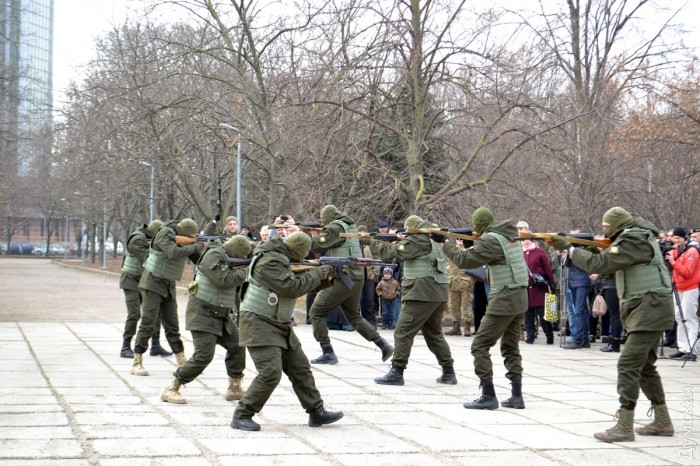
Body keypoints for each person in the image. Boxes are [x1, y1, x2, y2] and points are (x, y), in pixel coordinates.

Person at [549, 207, 675, 442]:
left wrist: (570, 249)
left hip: (650, 308)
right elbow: (611, 267)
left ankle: (625, 426)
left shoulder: (633, 239)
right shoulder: (634, 238)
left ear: (618, 224)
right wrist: (588, 249)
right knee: (644, 367)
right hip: (647, 307)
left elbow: (601, 265)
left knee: (628, 364)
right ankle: (662, 421)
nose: (605, 230)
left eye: (607, 226)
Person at [231, 231, 344, 431]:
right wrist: (317, 273)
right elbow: (291, 288)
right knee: (270, 373)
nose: (307, 256)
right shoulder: (270, 261)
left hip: (278, 323)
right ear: (299, 250)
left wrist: (327, 276)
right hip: (258, 323)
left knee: (300, 367)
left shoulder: (282, 258)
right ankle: (242, 414)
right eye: (306, 252)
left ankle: (316, 411)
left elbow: (301, 284)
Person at [442, 207, 528, 410]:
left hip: (505, 298)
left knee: (479, 345)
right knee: (510, 347)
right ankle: (516, 396)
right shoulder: (508, 235)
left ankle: (488, 395)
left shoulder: (491, 239)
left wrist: (445, 244)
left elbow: (464, 260)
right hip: (519, 296)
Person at [360, 215, 454, 385]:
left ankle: (397, 371)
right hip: (438, 292)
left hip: (421, 293)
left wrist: (370, 241)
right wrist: (399, 240)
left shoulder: (417, 241)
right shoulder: (435, 239)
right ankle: (448, 371)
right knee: (434, 334)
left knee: (402, 331)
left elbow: (391, 253)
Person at [161, 235, 252, 404]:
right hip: (202, 313)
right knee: (204, 356)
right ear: (236, 251)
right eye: (244, 255)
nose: (245, 258)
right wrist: (247, 270)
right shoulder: (213, 255)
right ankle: (172, 387)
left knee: (237, 344)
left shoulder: (226, 255)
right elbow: (224, 280)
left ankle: (234, 388)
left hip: (221, 314)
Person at [308, 205, 394, 365]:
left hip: (344, 278)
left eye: (323, 218)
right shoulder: (349, 226)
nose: (322, 221)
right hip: (355, 278)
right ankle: (383, 345)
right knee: (354, 317)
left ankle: (327, 352)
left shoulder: (335, 227)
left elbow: (317, 244)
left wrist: (299, 236)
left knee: (316, 312)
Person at [131, 219, 204, 376]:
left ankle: (182, 361)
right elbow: (172, 252)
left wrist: (211, 249)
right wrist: (194, 245)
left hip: (168, 285)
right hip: (152, 283)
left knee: (172, 326)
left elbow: (199, 259)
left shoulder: (184, 240)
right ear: (184, 233)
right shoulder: (164, 233)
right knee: (148, 324)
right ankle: (137, 361)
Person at [119, 220, 173, 358]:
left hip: (145, 280)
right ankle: (125, 346)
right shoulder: (137, 239)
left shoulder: (151, 238)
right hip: (131, 280)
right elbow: (148, 258)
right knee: (134, 314)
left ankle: (155, 345)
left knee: (153, 312)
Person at [665, 227, 699, 361]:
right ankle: (683, 348)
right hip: (678, 287)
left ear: (685, 237)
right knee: (679, 318)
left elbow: (687, 272)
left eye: (679, 238)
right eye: (675, 238)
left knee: (689, 318)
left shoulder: (692, 251)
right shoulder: (677, 249)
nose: (676, 240)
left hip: (690, 287)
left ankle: (692, 350)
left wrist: (674, 263)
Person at [563, 229, 593, 349]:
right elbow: (567, 264)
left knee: (579, 311)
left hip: (580, 282)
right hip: (575, 282)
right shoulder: (574, 250)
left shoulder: (583, 251)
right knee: (580, 311)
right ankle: (584, 339)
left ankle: (578, 339)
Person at [522, 238, 555, 344]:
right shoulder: (519, 253)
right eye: (523, 239)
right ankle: (530, 336)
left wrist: (551, 282)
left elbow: (547, 268)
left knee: (542, 313)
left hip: (539, 286)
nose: (525, 241)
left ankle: (549, 335)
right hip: (525, 287)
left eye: (527, 239)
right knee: (528, 314)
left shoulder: (539, 252)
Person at [444, 254, 474, 337]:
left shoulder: (467, 251)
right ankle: (456, 328)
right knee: (453, 306)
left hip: (465, 282)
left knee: (466, 306)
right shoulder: (450, 251)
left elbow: (474, 266)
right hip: (452, 282)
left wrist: (473, 279)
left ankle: (467, 328)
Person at [357, 225, 379, 328]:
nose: (362, 233)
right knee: (356, 301)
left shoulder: (371, 245)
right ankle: (357, 322)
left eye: (364, 231)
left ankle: (372, 322)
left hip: (369, 277)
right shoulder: (355, 244)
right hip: (357, 277)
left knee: (370, 300)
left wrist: (374, 272)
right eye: (360, 231)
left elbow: (377, 259)